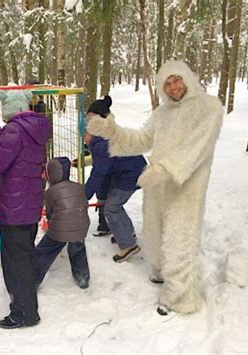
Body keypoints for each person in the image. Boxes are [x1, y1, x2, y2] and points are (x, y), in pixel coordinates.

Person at [87, 60, 224, 315]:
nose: (173, 87)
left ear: (187, 78)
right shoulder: (162, 113)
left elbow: (198, 147)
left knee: (179, 239)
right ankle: (161, 272)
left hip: (186, 186)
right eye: (167, 83)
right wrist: (112, 131)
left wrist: (165, 169)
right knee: (155, 232)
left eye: (177, 80)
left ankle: (181, 298)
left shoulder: (209, 107)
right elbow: (140, 139)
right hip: (156, 184)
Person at [0, 90, 51, 329]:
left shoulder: (13, 130)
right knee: (25, 256)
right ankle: (26, 303)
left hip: (14, 207)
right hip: (29, 206)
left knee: (15, 262)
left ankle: (24, 313)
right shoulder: (37, 130)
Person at [85, 95, 147, 263]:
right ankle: (126, 234)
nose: (86, 121)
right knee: (114, 205)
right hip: (126, 171)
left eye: (90, 117)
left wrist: (84, 196)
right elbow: (106, 161)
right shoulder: (105, 133)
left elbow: (99, 172)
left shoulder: (103, 141)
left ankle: (128, 245)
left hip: (131, 175)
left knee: (112, 208)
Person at [35, 157, 90, 289]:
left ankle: (33, 279)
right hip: (81, 227)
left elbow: (49, 213)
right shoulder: (79, 187)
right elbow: (84, 205)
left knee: (45, 251)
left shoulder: (51, 192)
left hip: (59, 228)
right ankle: (82, 277)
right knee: (78, 248)